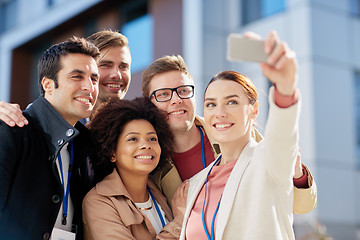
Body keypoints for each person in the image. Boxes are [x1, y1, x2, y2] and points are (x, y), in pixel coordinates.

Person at [142, 54, 316, 213]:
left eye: (184, 91)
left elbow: (300, 206)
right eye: (163, 94)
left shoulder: (234, 131)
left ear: (194, 97)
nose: (176, 100)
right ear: (149, 105)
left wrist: (297, 176)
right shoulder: (150, 162)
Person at [179, 31, 301, 239]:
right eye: (211, 104)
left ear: (254, 110)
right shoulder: (197, 183)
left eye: (232, 102)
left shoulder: (267, 160)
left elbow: (283, 135)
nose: (220, 113)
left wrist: (285, 87)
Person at [0, 37, 100, 239]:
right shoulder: (10, 129)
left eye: (94, 79)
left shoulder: (87, 145)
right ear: (48, 84)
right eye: (77, 77)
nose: (89, 87)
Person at [82, 97, 187, 239]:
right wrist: (180, 221)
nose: (146, 145)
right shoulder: (98, 202)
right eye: (133, 139)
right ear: (112, 152)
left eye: (152, 139)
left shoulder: (159, 193)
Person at [0, 29, 131, 127]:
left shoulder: (134, 126)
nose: (117, 74)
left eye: (124, 66)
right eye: (106, 65)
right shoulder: (28, 123)